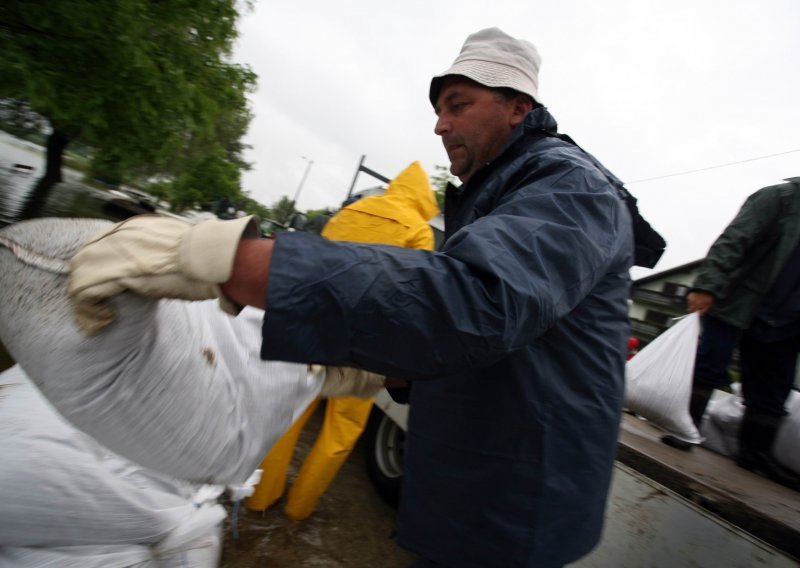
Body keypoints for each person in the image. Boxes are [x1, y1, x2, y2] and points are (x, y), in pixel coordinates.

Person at [69, 28, 634, 567]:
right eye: (437, 109)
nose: (439, 124)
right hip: (478, 477)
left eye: (458, 104)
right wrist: (392, 376)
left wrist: (225, 259)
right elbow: (515, 337)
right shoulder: (497, 195)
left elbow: (472, 303)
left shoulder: (570, 188)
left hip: (519, 500)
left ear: (518, 108)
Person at [245, 161, 439, 520]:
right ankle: (298, 510)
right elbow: (409, 298)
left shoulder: (353, 211)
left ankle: (259, 498)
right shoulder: (418, 231)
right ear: (424, 199)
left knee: (289, 414)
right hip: (365, 346)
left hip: (313, 328)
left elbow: (313, 263)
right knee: (341, 431)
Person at [660, 177, 800, 491]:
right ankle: (685, 429)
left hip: (788, 319)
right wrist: (707, 285)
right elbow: (734, 240)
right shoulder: (780, 198)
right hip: (741, 300)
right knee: (710, 366)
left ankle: (755, 454)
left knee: (773, 389)